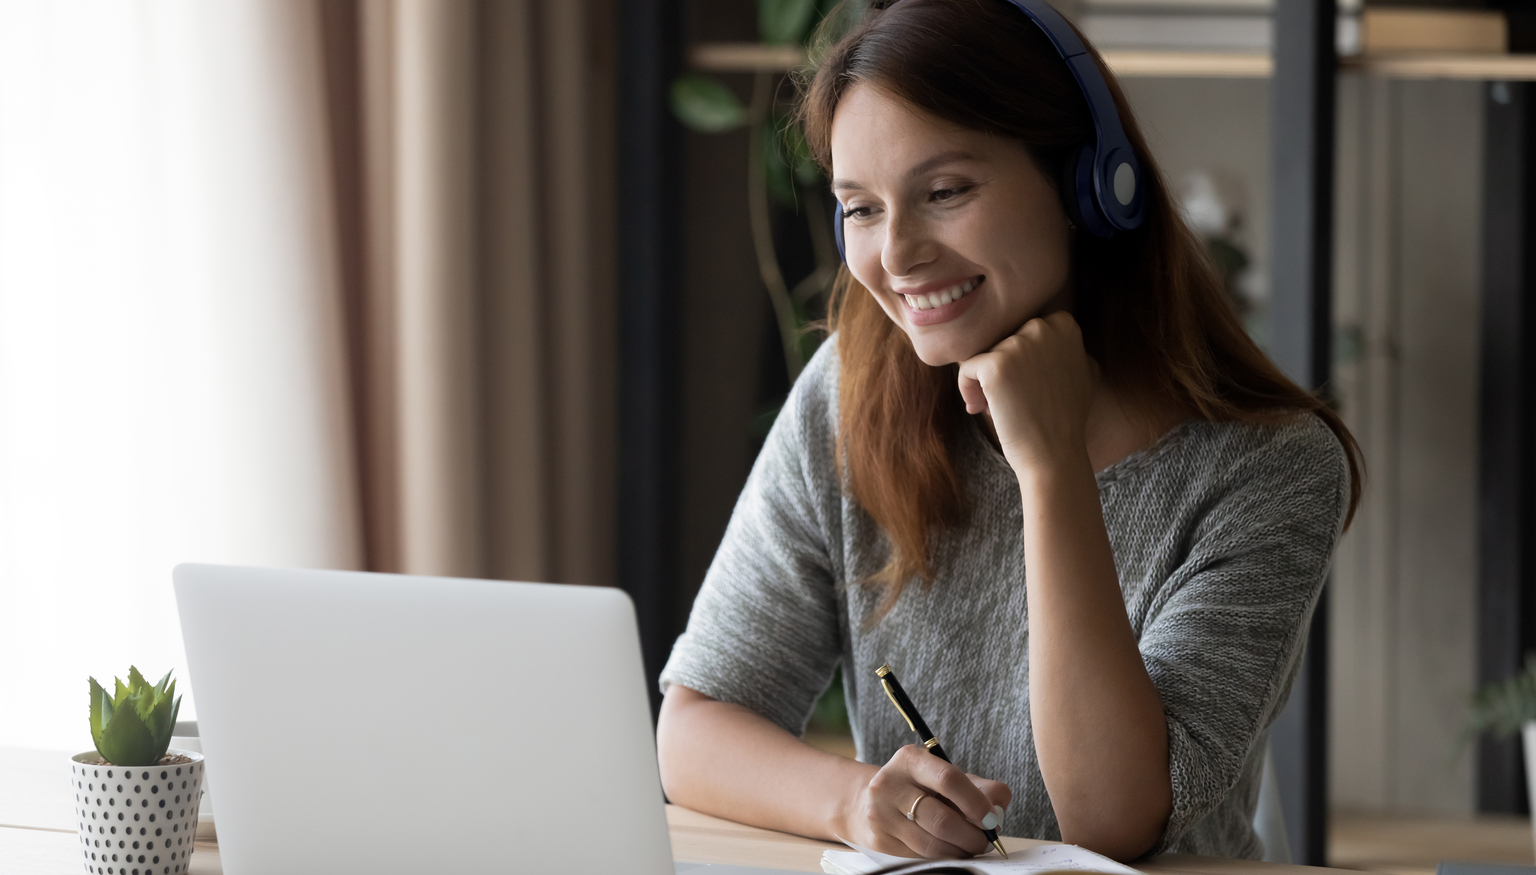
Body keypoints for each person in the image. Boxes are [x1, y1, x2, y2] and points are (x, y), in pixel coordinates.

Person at [655, 0, 1362, 863]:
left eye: (944, 191)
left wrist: (1051, 462)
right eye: (862, 208)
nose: (898, 254)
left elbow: (1111, 822)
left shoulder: (1270, 467)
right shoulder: (852, 389)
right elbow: (693, 727)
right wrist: (854, 802)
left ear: (1087, 186)